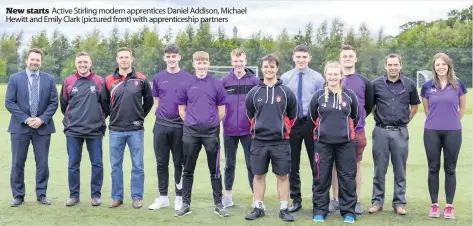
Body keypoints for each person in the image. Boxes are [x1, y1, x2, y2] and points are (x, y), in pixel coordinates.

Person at [174, 51, 228, 217]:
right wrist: (192, 122)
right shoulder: (187, 83)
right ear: (193, 64)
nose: (202, 65)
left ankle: (218, 204)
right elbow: (181, 109)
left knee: (215, 170)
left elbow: (222, 110)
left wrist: (211, 124)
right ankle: (185, 204)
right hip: (190, 133)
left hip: (211, 133)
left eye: (204, 62)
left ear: (208, 63)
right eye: (198, 62)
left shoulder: (216, 84)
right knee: (188, 170)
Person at [244, 54, 298, 222]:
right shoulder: (254, 93)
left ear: (277, 68)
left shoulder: (286, 92)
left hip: (280, 142)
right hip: (259, 141)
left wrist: (283, 129)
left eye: (272, 66)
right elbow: (250, 115)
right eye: (266, 66)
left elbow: (293, 115)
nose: (269, 69)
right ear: (262, 68)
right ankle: (258, 207)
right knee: (258, 175)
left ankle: (284, 208)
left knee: (283, 176)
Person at [101, 47, 154, 209]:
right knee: (115, 165)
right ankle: (117, 197)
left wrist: (139, 117)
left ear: (132, 59)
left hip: (136, 130)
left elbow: (149, 102)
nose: (124, 60)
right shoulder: (109, 80)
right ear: (117, 60)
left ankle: (137, 197)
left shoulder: (141, 79)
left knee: (137, 165)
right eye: (121, 57)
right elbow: (104, 103)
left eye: (127, 57)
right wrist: (114, 116)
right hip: (115, 130)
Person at [5, 47, 58, 207]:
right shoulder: (15, 78)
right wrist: (26, 119)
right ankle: (18, 196)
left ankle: (41, 194)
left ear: (40, 62)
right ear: (27, 60)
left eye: (37, 60)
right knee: (17, 163)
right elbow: (9, 102)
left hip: (42, 128)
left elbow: (54, 102)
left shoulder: (49, 79)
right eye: (32, 59)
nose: (35, 62)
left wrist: (41, 119)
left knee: (42, 163)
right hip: (20, 127)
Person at [369, 53, 420, 215]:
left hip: (400, 132)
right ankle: (377, 201)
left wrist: (404, 121)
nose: (392, 68)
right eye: (389, 65)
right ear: (385, 66)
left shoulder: (410, 84)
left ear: (400, 66)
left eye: (395, 65)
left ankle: (399, 203)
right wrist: (378, 117)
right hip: (381, 131)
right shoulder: (375, 84)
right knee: (379, 169)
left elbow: (414, 107)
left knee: (400, 169)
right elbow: (371, 105)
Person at [310, 61, 360, 223]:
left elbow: (356, 117)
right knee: (321, 177)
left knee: (346, 177)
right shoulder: (318, 96)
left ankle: (348, 212)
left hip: (346, 144)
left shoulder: (349, 95)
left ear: (340, 76)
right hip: (323, 144)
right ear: (326, 75)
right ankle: (320, 210)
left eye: (335, 74)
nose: (332, 77)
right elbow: (313, 117)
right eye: (330, 74)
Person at [420, 53, 467, 219]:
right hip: (431, 131)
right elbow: (426, 109)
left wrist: (451, 122)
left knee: (450, 168)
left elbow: (462, 109)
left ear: (448, 66)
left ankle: (449, 206)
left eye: (443, 64)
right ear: (434, 67)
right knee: (433, 167)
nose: (440, 67)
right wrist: (437, 121)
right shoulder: (427, 86)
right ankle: (434, 205)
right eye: (437, 65)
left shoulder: (459, 85)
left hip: (453, 132)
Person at [329, 45, 374, 215]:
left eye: (350, 56)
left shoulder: (364, 82)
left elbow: (368, 105)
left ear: (355, 59)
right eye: (344, 56)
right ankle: (336, 199)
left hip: (356, 131)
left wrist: (358, 120)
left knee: (355, 165)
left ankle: (355, 200)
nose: (347, 58)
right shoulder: (331, 79)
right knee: (334, 165)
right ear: (340, 59)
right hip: (333, 131)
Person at [280, 44, 325, 213]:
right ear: (293, 58)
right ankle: (296, 199)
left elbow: (322, 102)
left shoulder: (318, 78)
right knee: (293, 165)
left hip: (311, 124)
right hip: (292, 125)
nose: (301, 60)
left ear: (309, 59)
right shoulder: (285, 78)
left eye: (304, 57)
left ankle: (318, 199)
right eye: (298, 57)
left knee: (316, 164)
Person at [60, 52, 107, 207]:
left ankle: (95, 196)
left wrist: (97, 120)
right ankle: (74, 196)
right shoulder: (68, 81)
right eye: (80, 62)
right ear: (76, 64)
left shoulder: (99, 81)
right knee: (73, 164)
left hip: (95, 130)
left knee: (97, 164)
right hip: (73, 130)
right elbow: (64, 105)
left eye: (85, 62)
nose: (82, 65)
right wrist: (72, 121)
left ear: (90, 63)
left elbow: (105, 105)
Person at [148, 44, 191, 211]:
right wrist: (158, 118)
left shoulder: (187, 77)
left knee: (179, 163)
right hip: (161, 126)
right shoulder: (158, 78)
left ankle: (179, 197)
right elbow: (156, 102)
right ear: (164, 58)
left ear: (179, 58)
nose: (171, 59)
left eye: (174, 56)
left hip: (180, 126)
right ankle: (163, 197)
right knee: (161, 162)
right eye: (168, 56)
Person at [221, 48, 259, 207]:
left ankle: (256, 197)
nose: (238, 64)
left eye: (241, 61)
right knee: (229, 163)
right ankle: (228, 196)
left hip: (248, 130)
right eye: (235, 61)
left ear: (245, 61)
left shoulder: (254, 81)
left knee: (252, 164)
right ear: (232, 62)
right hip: (229, 130)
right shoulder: (224, 81)